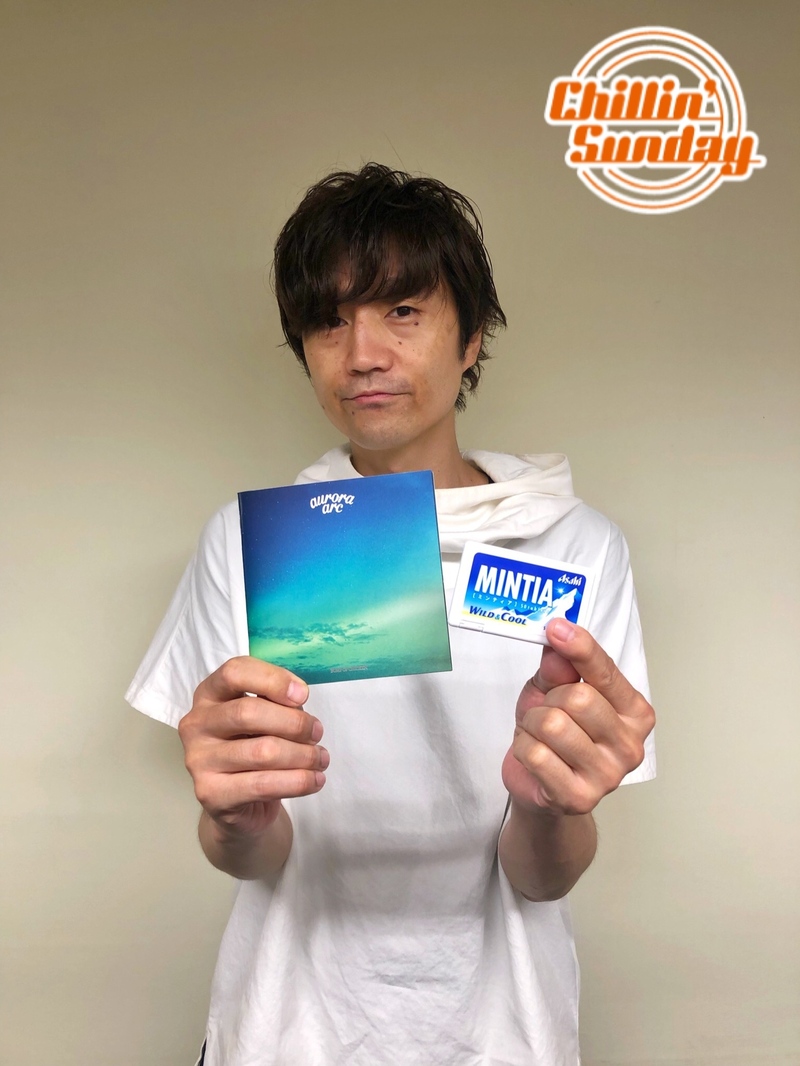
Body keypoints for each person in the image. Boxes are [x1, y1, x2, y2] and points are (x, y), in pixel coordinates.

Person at [126, 163, 656, 1066]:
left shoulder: (575, 544)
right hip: (289, 1027)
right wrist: (234, 818)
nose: (363, 353)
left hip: (503, 1031)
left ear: (472, 337)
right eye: (329, 320)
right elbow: (253, 856)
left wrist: (545, 809)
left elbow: (543, 877)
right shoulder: (251, 544)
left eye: (402, 310)